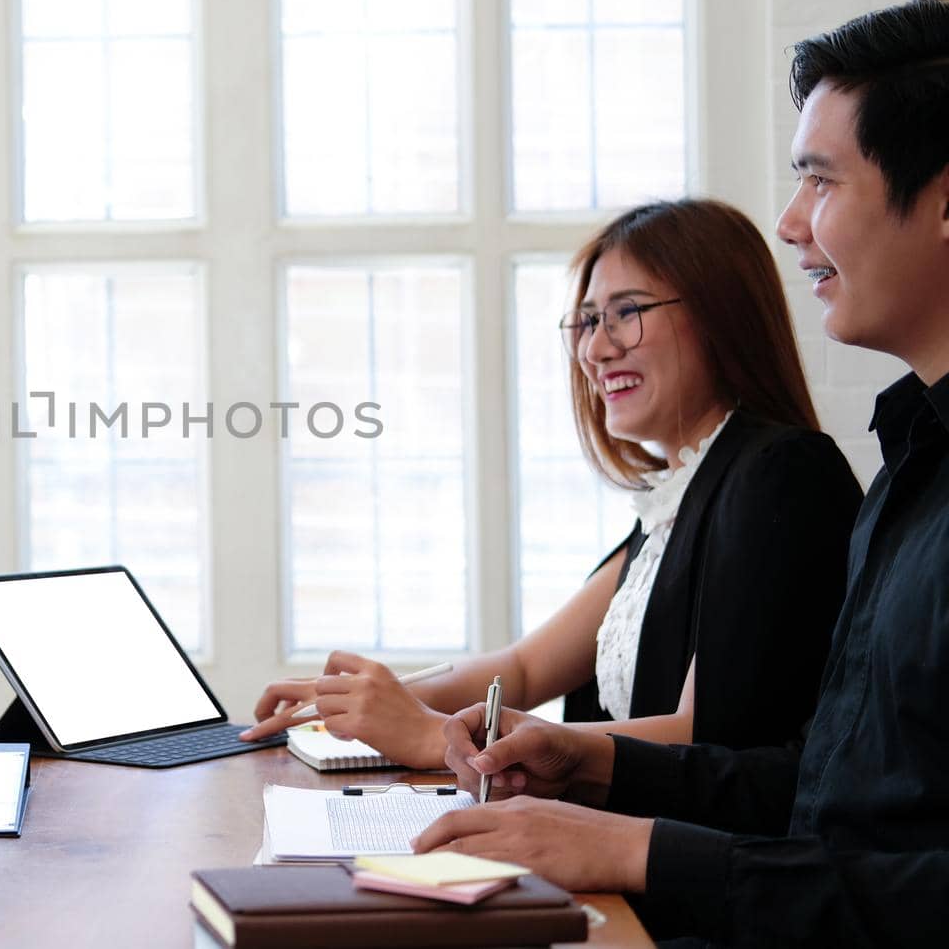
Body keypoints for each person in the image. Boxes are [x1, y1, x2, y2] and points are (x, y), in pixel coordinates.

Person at [418, 0, 949, 947]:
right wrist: (584, 763)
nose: (790, 224)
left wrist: (634, 849)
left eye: (820, 182)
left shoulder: (787, 471)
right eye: (586, 321)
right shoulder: (908, 469)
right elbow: (825, 786)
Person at [243, 199, 861, 770]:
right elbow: (525, 667)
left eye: (627, 313)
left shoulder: (778, 473)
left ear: (721, 315)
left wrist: (438, 737)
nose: (596, 348)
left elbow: (705, 734)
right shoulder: (681, 494)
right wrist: (363, 699)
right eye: (588, 321)